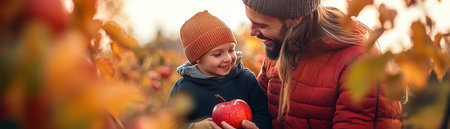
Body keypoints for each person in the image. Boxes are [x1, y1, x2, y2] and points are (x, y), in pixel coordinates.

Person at [240, 0, 403, 129]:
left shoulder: (360, 65)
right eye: (252, 22)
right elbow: (257, 109)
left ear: (295, 20)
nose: (252, 33)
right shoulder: (279, 49)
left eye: (263, 25)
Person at [167, 10, 271, 129]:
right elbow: (170, 124)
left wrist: (256, 127)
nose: (227, 58)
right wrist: (194, 127)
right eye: (217, 54)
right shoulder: (184, 89)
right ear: (197, 58)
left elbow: (263, 114)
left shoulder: (246, 79)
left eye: (231, 50)